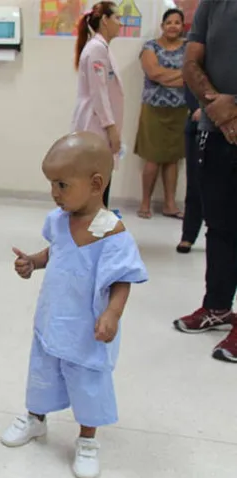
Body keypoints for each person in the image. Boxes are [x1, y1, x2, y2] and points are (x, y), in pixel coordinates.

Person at [0, 132, 148, 478]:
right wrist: (34, 263)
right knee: (42, 373)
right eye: (52, 183)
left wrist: (112, 314)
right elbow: (58, 252)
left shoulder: (111, 233)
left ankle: (87, 439)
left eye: (62, 184)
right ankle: (36, 420)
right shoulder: (59, 220)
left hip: (88, 330)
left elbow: (122, 278)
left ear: (96, 184)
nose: (54, 193)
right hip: (53, 321)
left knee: (88, 384)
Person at [173, 0, 237, 363]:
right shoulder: (214, 3)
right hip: (215, 132)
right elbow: (192, 61)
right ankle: (217, 307)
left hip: (223, 119)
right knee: (220, 226)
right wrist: (220, 109)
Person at [135, 8, 188, 220]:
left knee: (172, 159)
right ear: (162, 26)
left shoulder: (188, 48)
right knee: (153, 158)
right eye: (169, 22)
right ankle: (145, 203)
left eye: (177, 22)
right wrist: (179, 75)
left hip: (179, 110)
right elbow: (154, 73)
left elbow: (191, 77)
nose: (173, 26)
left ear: (182, 26)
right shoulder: (150, 47)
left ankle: (169, 205)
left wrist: (168, 77)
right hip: (154, 109)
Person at [71, 1, 123, 208]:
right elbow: (98, 93)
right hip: (96, 126)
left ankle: (96, 231)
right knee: (95, 185)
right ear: (104, 20)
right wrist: (111, 129)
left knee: (100, 183)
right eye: (117, 18)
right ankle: (91, 233)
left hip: (99, 125)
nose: (120, 23)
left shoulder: (101, 48)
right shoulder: (96, 50)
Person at [176, 83, 203, 253]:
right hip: (197, 125)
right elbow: (190, 80)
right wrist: (199, 109)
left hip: (229, 122)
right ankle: (188, 235)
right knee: (195, 183)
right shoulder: (196, 58)